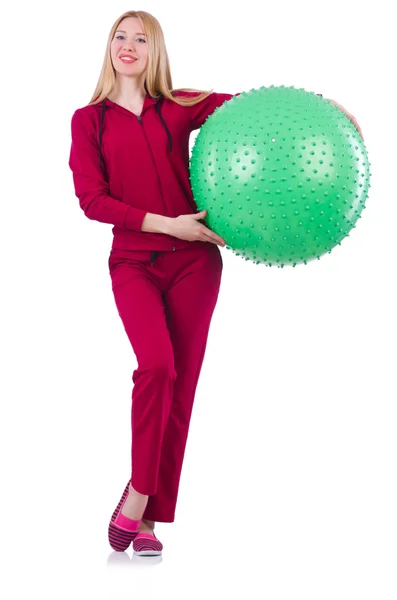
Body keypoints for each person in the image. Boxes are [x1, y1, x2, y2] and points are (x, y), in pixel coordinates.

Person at [68, 10, 237, 557]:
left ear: (156, 50)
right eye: (121, 36)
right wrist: (170, 224)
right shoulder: (88, 120)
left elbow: (253, 113)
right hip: (135, 262)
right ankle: (141, 490)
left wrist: (325, 110)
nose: (129, 45)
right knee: (157, 368)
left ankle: (147, 517)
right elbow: (93, 200)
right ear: (108, 46)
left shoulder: (180, 104)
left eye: (142, 38)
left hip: (195, 264)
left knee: (181, 385)